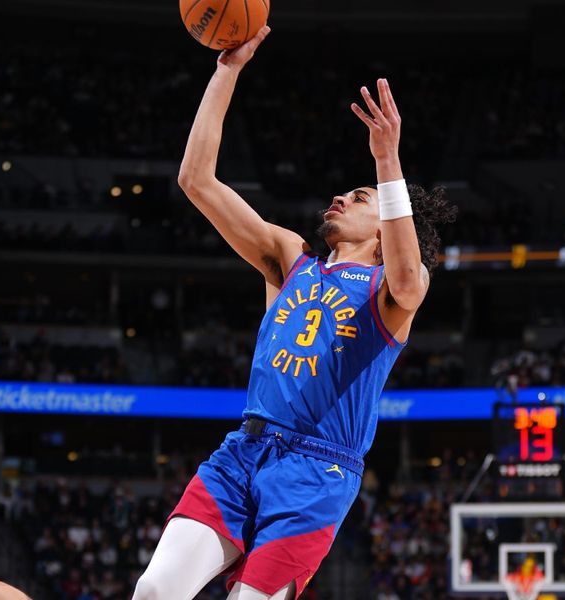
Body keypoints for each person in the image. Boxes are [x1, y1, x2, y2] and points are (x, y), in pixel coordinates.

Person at [133, 26, 455, 600]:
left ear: (384, 227)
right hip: (244, 450)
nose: (340, 197)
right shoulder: (291, 261)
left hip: (317, 473)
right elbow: (195, 180)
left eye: (359, 198)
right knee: (156, 590)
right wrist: (226, 71)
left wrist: (387, 163)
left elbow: (409, 279)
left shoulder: (393, 285)